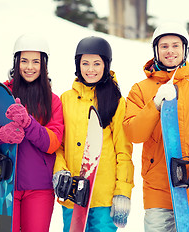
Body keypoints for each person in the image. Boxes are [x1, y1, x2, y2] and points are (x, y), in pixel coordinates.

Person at [123, 22, 189, 232]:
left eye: (176, 45)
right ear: (156, 50)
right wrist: (154, 104)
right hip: (158, 188)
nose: (170, 51)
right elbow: (133, 133)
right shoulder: (140, 90)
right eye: (164, 46)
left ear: (185, 49)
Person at [0, 34, 64, 232]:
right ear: (16, 62)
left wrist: (29, 124)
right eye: (24, 61)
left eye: (35, 61)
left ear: (44, 65)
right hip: (3, 184)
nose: (29, 67)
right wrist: (1, 134)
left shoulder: (53, 101)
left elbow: (53, 143)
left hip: (39, 187)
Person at [53, 36, 134, 231]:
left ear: (106, 65)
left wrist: (122, 192)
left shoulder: (116, 101)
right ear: (77, 65)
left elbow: (124, 151)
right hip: (73, 193)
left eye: (97, 63)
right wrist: (59, 171)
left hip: (104, 197)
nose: (91, 69)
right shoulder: (65, 99)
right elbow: (59, 144)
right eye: (85, 63)